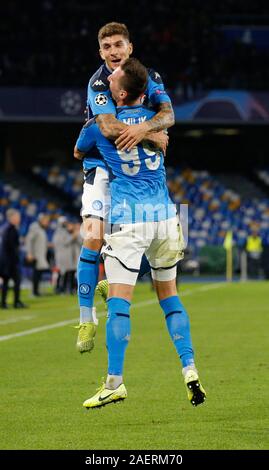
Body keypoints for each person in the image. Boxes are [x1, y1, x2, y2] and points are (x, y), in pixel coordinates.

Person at [75, 58, 206, 408]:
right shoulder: (158, 127)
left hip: (131, 222)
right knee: (170, 298)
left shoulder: (99, 125)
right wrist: (150, 133)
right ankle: (190, 369)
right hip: (166, 218)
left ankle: (114, 382)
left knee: (120, 305)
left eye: (113, 78)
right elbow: (164, 123)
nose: (108, 78)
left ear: (119, 92)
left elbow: (78, 150)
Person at [75, 22, 174, 354]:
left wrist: (147, 126)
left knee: (154, 239)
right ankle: (86, 317)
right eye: (107, 47)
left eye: (119, 45)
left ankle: (107, 284)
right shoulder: (99, 83)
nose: (114, 51)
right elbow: (107, 126)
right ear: (101, 52)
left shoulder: (149, 76)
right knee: (93, 234)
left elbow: (169, 114)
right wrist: (151, 133)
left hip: (136, 173)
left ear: (130, 47)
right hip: (102, 165)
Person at [0, 209, 26, 309]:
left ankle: (4, 303)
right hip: (9, 261)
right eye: (17, 217)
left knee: (6, 282)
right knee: (17, 280)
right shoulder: (10, 229)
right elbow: (12, 247)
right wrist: (16, 257)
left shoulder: (5, 228)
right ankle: (16, 302)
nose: (19, 219)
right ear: (12, 218)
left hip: (5, 261)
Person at [25, 213, 50, 296]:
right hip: (35, 255)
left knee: (39, 273)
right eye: (46, 221)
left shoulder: (41, 229)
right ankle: (34, 292)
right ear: (41, 220)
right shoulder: (35, 227)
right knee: (36, 273)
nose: (47, 223)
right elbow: (29, 240)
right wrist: (29, 253)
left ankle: (36, 291)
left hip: (41, 255)